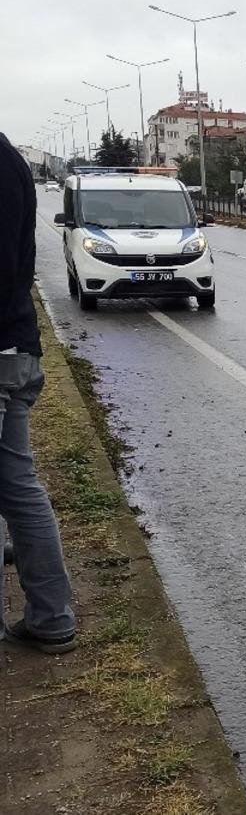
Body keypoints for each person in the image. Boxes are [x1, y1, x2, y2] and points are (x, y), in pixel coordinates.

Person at [0, 131, 76, 654]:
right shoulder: (11, 160)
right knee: (17, 488)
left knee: (18, 490)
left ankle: (52, 618)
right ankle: (52, 619)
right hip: (17, 346)